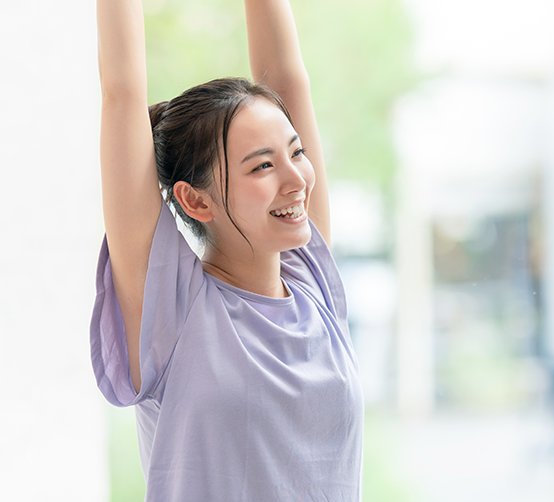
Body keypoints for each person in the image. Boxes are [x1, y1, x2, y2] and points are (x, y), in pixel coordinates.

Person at [90, 0, 364, 500]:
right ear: (195, 200)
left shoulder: (313, 286)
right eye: (262, 166)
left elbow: (287, 76)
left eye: (296, 151)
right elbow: (121, 92)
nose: (296, 179)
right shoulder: (175, 312)